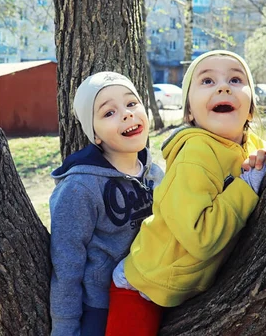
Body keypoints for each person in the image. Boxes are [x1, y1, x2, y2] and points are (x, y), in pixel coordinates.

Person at [106, 50, 266, 335]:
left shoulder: (249, 145)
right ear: (189, 113)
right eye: (207, 81)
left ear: (251, 109)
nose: (223, 87)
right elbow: (201, 236)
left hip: (183, 280)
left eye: (235, 79)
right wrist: (246, 186)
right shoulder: (195, 153)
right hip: (144, 284)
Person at [49, 71, 164, 336]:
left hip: (154, 291)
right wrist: (65, 328)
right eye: (108, 113)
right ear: (95, 135)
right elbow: (66, 265)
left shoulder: (155, 173)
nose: (126, 114)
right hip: (102, 308)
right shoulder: (80, 188)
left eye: (131, 103)